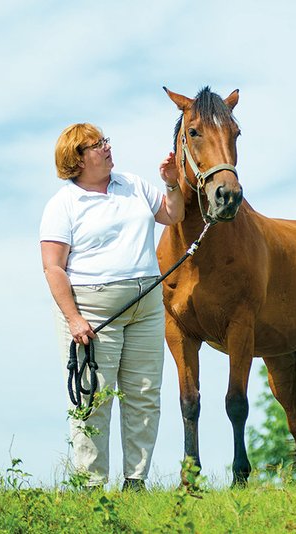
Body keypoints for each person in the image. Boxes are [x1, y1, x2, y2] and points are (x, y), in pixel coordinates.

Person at [40, 122, 183, 490]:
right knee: (93, 395)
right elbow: (53, 267)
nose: (106, 148)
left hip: (146, 304)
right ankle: (91, 484)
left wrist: (170, 183)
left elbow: (173, 215)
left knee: (144, 393)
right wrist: (73, 319)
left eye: (105, 141)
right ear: (77, 159)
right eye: (96, 145)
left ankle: (135, 481)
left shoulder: (133, 184)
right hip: (93, 310)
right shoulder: (63, 205)